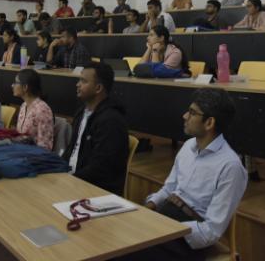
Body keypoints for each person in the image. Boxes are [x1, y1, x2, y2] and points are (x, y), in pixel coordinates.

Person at [124, 89, 247, 260]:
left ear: (209, 122)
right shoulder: (189, 146)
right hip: (167, 215)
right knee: (118, 233)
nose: (184, 116)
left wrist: (171, 229)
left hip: (187, 237)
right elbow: (169, 188)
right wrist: (148, 208)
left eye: (192, 113)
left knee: (124, 252)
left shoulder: (230, 167)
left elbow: (211, 231)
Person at [63, 62, 128, 195]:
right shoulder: (81, 112)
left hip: (96, 191)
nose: (77, 84)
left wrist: (69, 180)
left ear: (98, 88)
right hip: (73, 181)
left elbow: (101, 168)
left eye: (83, 81)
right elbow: (71, 149)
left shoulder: (111, 121)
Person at [13, 69, 54, 150]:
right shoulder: (23, 106)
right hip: (19, 150)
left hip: (32, 155)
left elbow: (45, 146)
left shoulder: (42, 110)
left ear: (25, 87)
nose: (12, 85)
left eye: (16, 82)